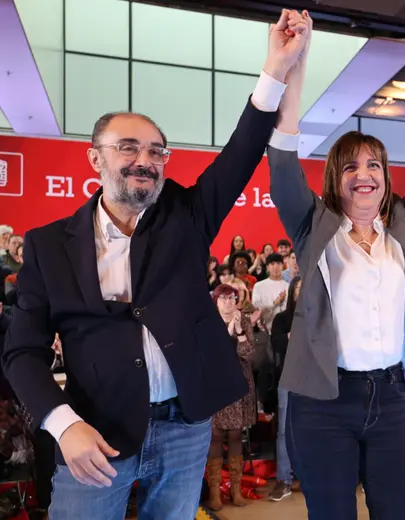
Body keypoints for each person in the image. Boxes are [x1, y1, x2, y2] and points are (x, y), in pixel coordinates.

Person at [0, 9, 309, 519]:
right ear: (94, 158)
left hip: (185, 430)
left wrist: (276, 66)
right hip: (95, 435)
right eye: (127, 147)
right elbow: (21, 352)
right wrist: (62, 423)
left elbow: (241, 150)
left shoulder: (185, 217)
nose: (144, 159)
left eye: (157, 151)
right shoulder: (50, 245)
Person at [269, 15, 405, 519]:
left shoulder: (402, 224)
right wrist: (293, 66)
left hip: (388, 396)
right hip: (323, 401)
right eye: (351, 166)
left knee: (397, 513)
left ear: (385, 178)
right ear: (335, 179)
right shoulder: (312, 226)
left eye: (374, 166)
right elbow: (281, 159)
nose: (364, 175)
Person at [205, 285, 258, 511]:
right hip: (215, 383)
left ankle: (235, 490)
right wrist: (228, 333)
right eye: (223, 298)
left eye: (232, 297)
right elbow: (212, 353)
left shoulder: (243, 320)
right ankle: (215, 492)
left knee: (236, 433)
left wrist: (238, 330)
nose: (228, 302)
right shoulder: (208, 322)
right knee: (216, 435)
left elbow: (248, 353)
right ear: (215, 301)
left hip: (239, 382)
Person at [266, 274, 301, 502]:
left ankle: (311, 476)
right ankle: (283, 480)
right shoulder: (281, 318)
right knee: (283, 431)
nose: (302, 292)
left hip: (314, 380)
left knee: (316, 429)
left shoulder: (320, 315)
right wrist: (294, 335)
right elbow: (277, 344)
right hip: (288, 379)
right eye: (298, 289)